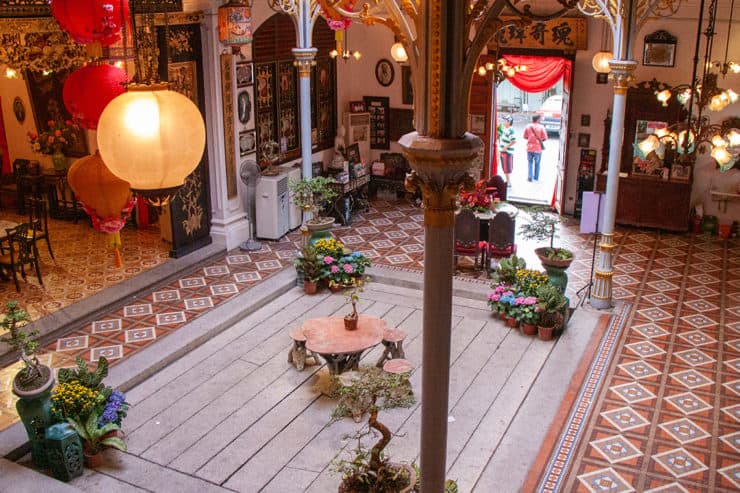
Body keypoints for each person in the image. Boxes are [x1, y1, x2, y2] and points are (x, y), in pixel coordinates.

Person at [523, 114, 547, 182]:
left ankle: (530, 177)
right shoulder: (541, 127)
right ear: (538, 119)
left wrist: (530, 139)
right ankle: (536, 177)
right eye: (540, 119)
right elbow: (545, 138)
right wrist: (539, 140)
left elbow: (525, 136)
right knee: (537, 164)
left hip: (529, 148)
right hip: (538, 149)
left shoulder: (528, 126)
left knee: (530, 163)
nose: (541, 120)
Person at [497, 115, 516, 185]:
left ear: (509, 122)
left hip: (507, 152)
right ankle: (507, 181)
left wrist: (506, 147)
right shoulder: (504, 128)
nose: (503, 122)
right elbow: (498, 134)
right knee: (504, 167)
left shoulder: (511, 130)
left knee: (507, 167)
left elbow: (514, 141)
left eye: (505, 120)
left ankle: (508, 182)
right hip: (503, 151)